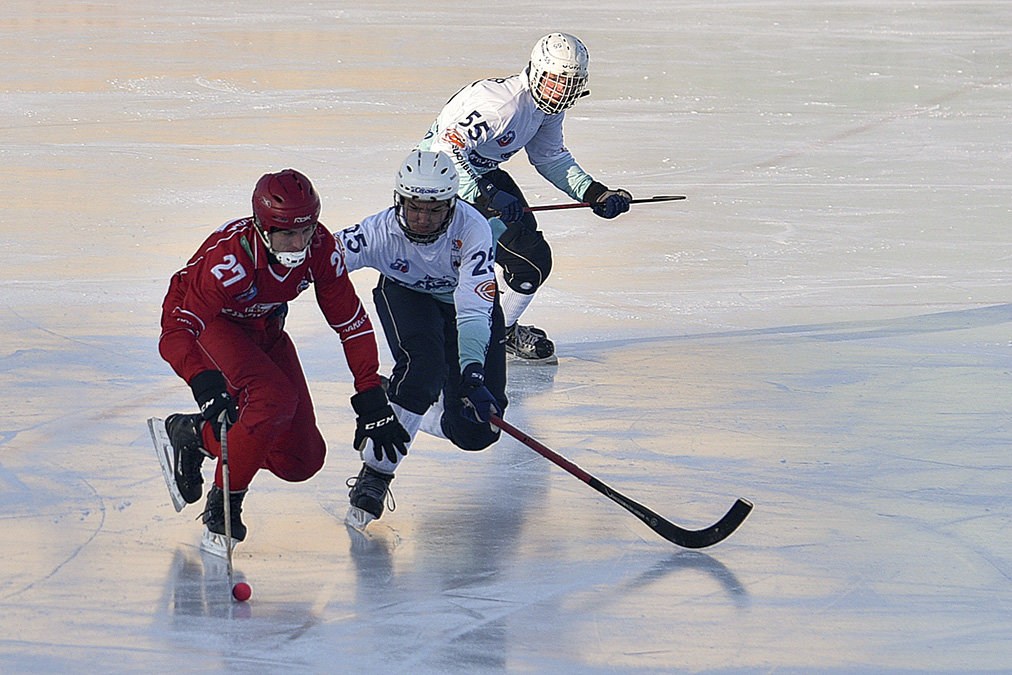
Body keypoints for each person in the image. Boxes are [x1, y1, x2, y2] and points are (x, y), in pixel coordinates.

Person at [155, 168, 409, 555]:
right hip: (211, 325)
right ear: (262, 227)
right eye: (288, 233)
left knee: (301, 460)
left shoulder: (322, 249)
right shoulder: (230, 260)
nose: (300, 243)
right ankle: (224, 506)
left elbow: (352, 323)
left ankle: (194, 436)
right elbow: (175, 333)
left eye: (306, 231)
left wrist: (370, 391)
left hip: (264, 326)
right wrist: (203, 381)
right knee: (273, 398)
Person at [418, 32, 633, 362]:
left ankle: (498, 332)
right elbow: (447, 150)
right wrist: (486, 195)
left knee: (531, 264)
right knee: (524, 260)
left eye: (570, 83)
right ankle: (478, 337)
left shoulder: (547, 109)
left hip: (480, 174)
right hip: (436, 183)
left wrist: (594, 192)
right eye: (555, 80)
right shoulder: (501, 105)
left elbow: (551, 158)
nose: (561, 91)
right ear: (536, 71)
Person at [336, 150, 508, 530]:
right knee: (422, 369)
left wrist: (473, 372)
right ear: (401, 199)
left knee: (478, 430)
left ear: (452, 204)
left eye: (435, 210)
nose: (423, 219)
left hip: (464, 309)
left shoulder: (472, 228)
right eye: (415, 208)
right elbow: (321, 261)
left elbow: (473, 308)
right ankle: (376, 476)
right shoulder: (379, 232)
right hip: (406, 296)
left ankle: (400, 400)